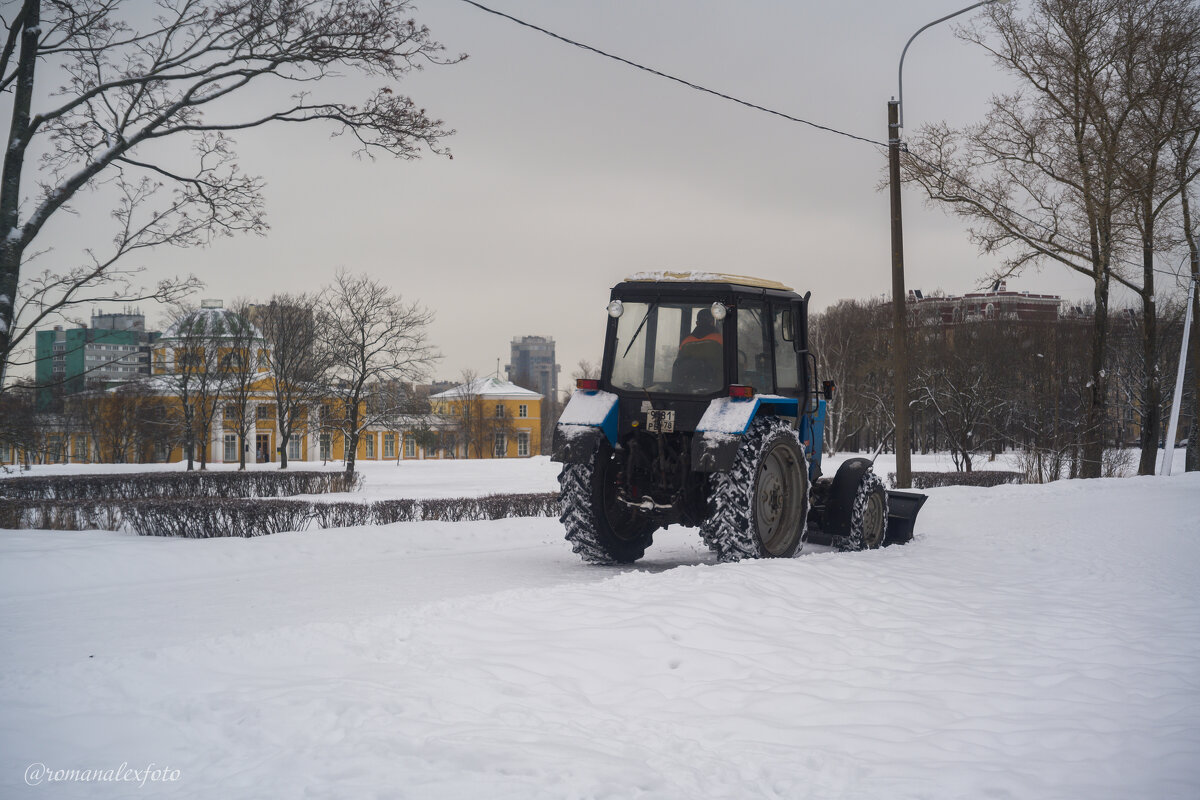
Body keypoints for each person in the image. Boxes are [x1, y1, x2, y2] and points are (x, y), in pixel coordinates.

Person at [673, 308, 724, 390]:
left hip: (688, 388)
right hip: (716, 388)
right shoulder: (721, 340)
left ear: (697, 323)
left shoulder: (685, 342)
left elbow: (679, 365)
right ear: (712, 322)